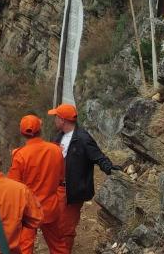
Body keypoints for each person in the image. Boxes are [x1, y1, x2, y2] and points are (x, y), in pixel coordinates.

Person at [43, 103, 120, 254]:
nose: (54, 120)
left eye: (56, 117)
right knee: (53, 224)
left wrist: (110, 168)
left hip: (71, 191)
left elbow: (98, 157)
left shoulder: (83, 138)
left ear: (62, 120)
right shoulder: (58, 136)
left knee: (65, 228)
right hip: (55, 189)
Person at [8, 115, 64, 253]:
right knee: (58, 246)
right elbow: (61, 177)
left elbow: (13, 187)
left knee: (25, 248)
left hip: (28, 210)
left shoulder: (20, 156)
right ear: (40, 129)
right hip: (51, 207)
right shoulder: (56, 150)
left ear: (22, 133)